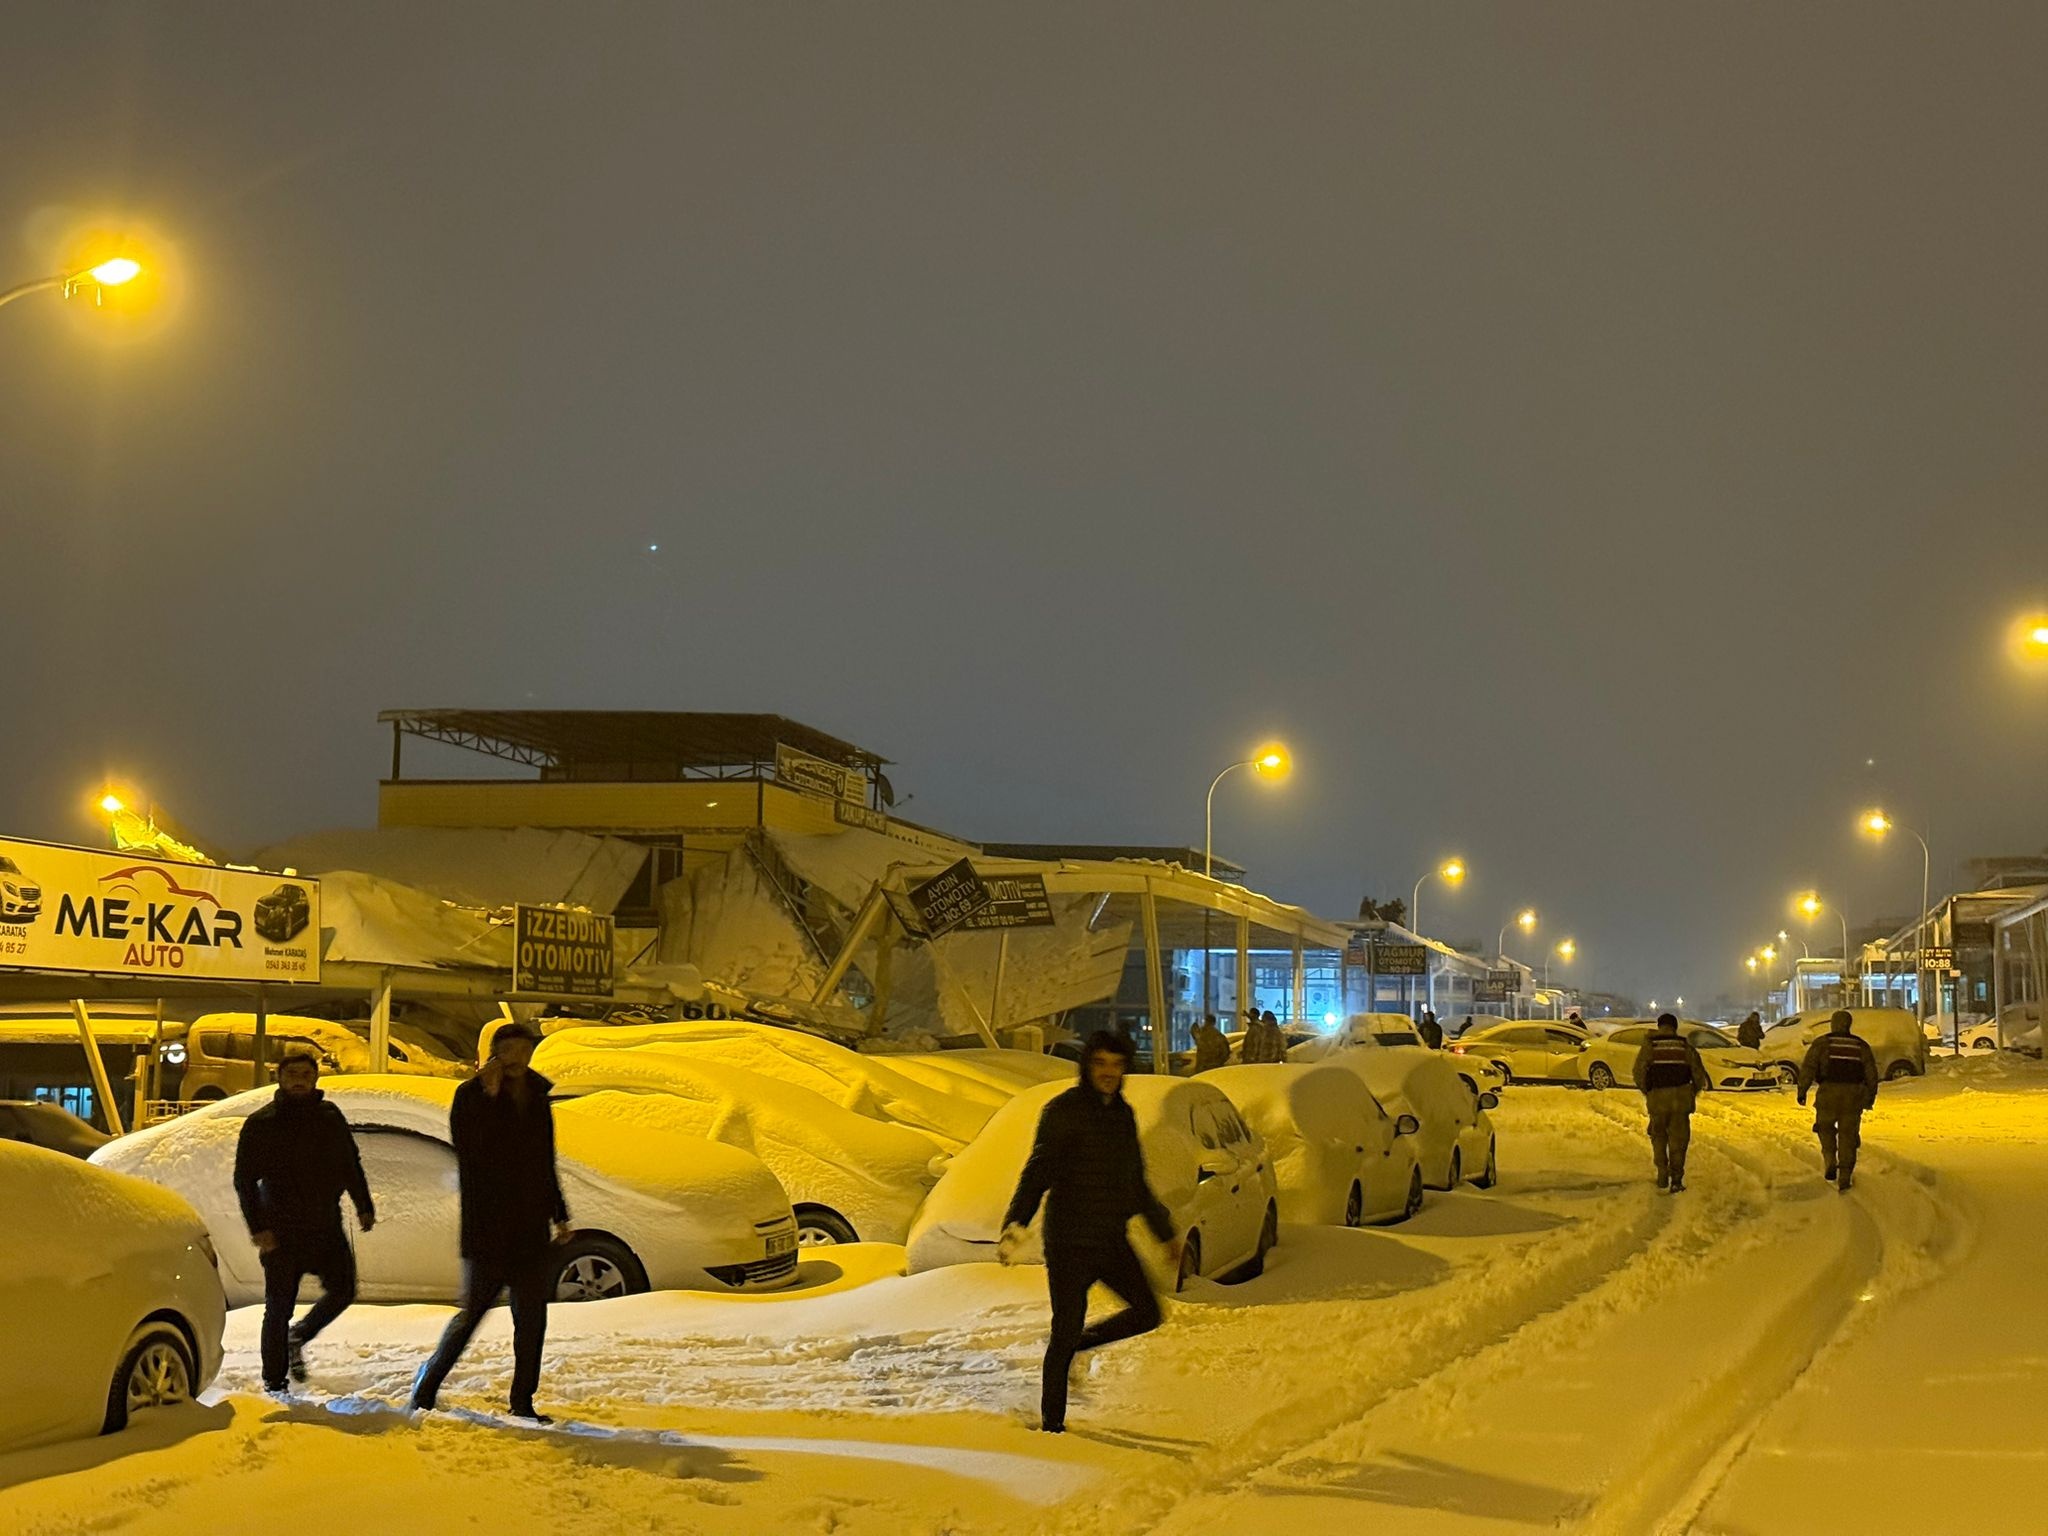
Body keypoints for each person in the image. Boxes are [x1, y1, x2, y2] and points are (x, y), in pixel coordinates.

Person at [1000, 1031, 1178, 1433]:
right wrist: (1016, 1222)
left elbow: (1135, 1179)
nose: (1109, 1073)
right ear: (1087, 1066)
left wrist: (1164, 1232)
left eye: (1116, 1065)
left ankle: (1083, 1343)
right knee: (1063, 1331)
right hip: (1068, 1243)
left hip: (1111, 1239)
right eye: (1101, 1064)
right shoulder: (1063, 1111)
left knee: (1148, 1312)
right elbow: (1038, 1170)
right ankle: (1052, 1427)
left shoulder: (1123, 1114)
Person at [411, 1021, 571, 1422]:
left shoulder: (537, 1094)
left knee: (532, 1318)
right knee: (472, 1313)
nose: (518, 1058)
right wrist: (491, 1097)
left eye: (524, 1050)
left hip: (531, 1227)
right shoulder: (469, 1096)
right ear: (495, 1054)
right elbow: (470, 1152)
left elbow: (542, 1159)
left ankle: (523, 1400)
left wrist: (559, 1212)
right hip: (488, 1226)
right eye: (510, 1050)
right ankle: (427, 1385)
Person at [233, 1049, 375, 1394]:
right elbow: (244, 1179)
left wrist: (363, 1203)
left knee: (343, 1290)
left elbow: (349, 1162)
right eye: (293, 1073)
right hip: (280, 1229)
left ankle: (299, 1335)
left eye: (306, 1075)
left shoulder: (329, 1117)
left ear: (315, 1080)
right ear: (280, 1078)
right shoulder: (262, 1123)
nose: (299, 1080)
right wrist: (258, 1228)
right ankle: (274, 1380)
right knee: (278, 1307)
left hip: (324, 1223)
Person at [1797, 1009, 1880, 1191]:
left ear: (1833, 1024)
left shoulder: (1822, 1043)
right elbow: (1871, 1074)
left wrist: (1802, 1091)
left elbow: (1809, 1067)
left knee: (1824, 1127)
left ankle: (1829, 1159)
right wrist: (1870, 1097)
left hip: (1828, 1092)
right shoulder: (1861, 1046)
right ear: (1849, 1025)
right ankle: (1845, 1174)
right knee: (1848, 1135)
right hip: (1853, 1095)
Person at [1630, 1013, 1710, 1192]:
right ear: (1675, 1028)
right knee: (1678, 1142)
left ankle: (1662, 1173)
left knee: (1658, 1138)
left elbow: (1638, 1071)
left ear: (1659, 1026)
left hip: (1658, 1099)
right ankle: (1676, 1180)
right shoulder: (1684, 1046)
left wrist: (1648, 1091)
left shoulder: (1650, 1045)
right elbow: (1698, 1074)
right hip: (1680, 1100)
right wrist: (1692, 1092)